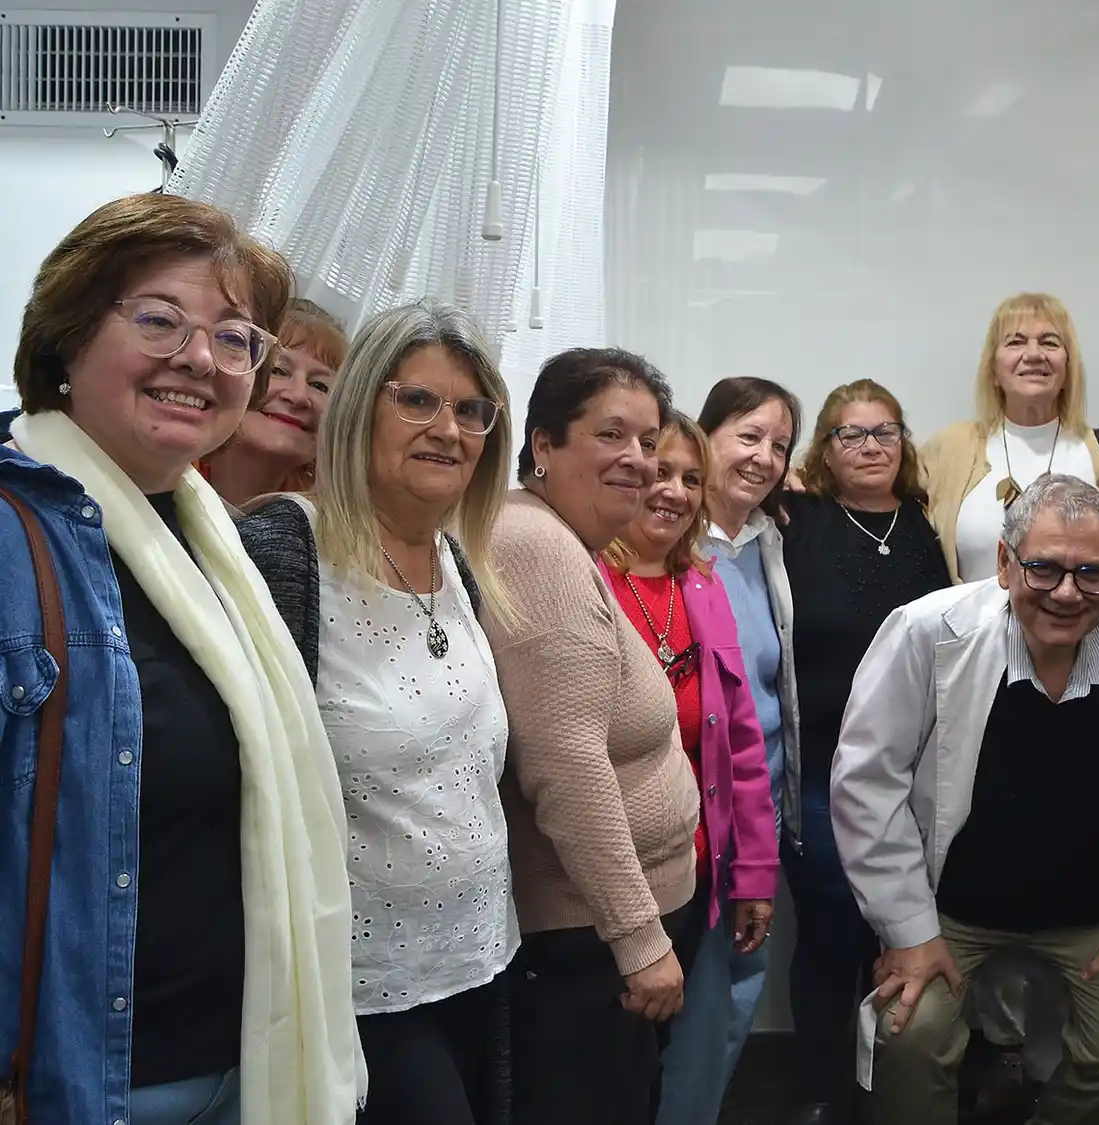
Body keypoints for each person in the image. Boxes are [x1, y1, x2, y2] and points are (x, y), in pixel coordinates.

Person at [0, 193, 363, 1125]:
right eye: (160, 319)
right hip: (93, 1080)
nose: (200, 358)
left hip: (244, 1064)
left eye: (237, 338)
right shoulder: (12, 537)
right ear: (68, 336)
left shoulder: (215, 545)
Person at [832, 473, 1099, 1125]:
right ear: (1002, 563)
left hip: (1096, 911)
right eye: (1043, 568)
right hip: (950, 905)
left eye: (1091, 573)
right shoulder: (925, 631)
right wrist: (908, 930)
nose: (1067, 593)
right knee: (911, 1027)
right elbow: (867, 781)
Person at [237, 300, 516, 1124]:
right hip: (356, 988)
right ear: (361, 407)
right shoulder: (286, 553)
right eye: (417, 399)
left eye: (471, 410)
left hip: (479, 956)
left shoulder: (456, 560)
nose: (448, 429)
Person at [487, 347, 700, 1125]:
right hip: (589, 942)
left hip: (602, 931)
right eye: (613, 435)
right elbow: (566, 764)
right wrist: (640, 940)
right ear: (544, 443)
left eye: (650, 440)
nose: (640, 461)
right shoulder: (537, 546)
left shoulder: (562, 542)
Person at [779, 378, 951, 1124]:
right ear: (825, 448)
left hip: (917, 778)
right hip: (819, 774)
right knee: (830, 932)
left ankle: (890, 1087)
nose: (872, 445)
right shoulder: (796, 520)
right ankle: (822, 1089)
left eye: (886, 431)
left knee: (905, 933)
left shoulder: (925, 526)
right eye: (852, 433)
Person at [597, 409, 780, 1104]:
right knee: (610, 1072)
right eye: (657, 472)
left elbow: (741, 744)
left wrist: (755, 874)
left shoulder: (702, 586)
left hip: (702, 873)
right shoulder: (585, 579)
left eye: (689, 478)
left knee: (692, 1055)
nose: (672, 490)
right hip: (607, 883)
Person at [652, 377, 804, 1125]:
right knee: (699, 1009)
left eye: (780, 444)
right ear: (703, 435)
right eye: (749, 435)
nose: (765, 456)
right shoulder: (669, 545)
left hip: (760, 808)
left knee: (736, 994)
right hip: (694, 819)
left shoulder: (771, 541)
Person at [923, 292, 1099, 586]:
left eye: (1049, 342)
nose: (1033, 355)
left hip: (1082, 629)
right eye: (1015, 342)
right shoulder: (949, 449)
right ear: (993, 370)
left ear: (1068, 366)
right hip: (972, 632)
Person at [198, 297, 347, 508]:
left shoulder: (322, 523)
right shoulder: (162, 474)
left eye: (320, 386)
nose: (298, 396)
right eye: (278, 370)